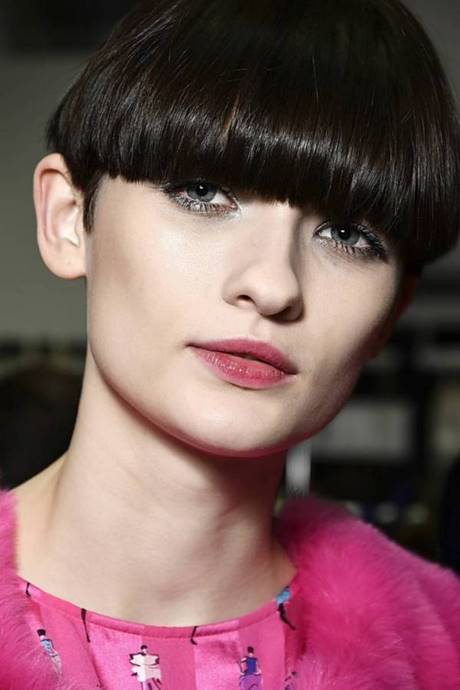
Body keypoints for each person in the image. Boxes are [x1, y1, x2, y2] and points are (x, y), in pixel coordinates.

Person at [1, 0, 459, 688]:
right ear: (69, 220)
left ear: (392, 310)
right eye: (203, 192)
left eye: (347, 235)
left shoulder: (441, 645)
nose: (273, 285)